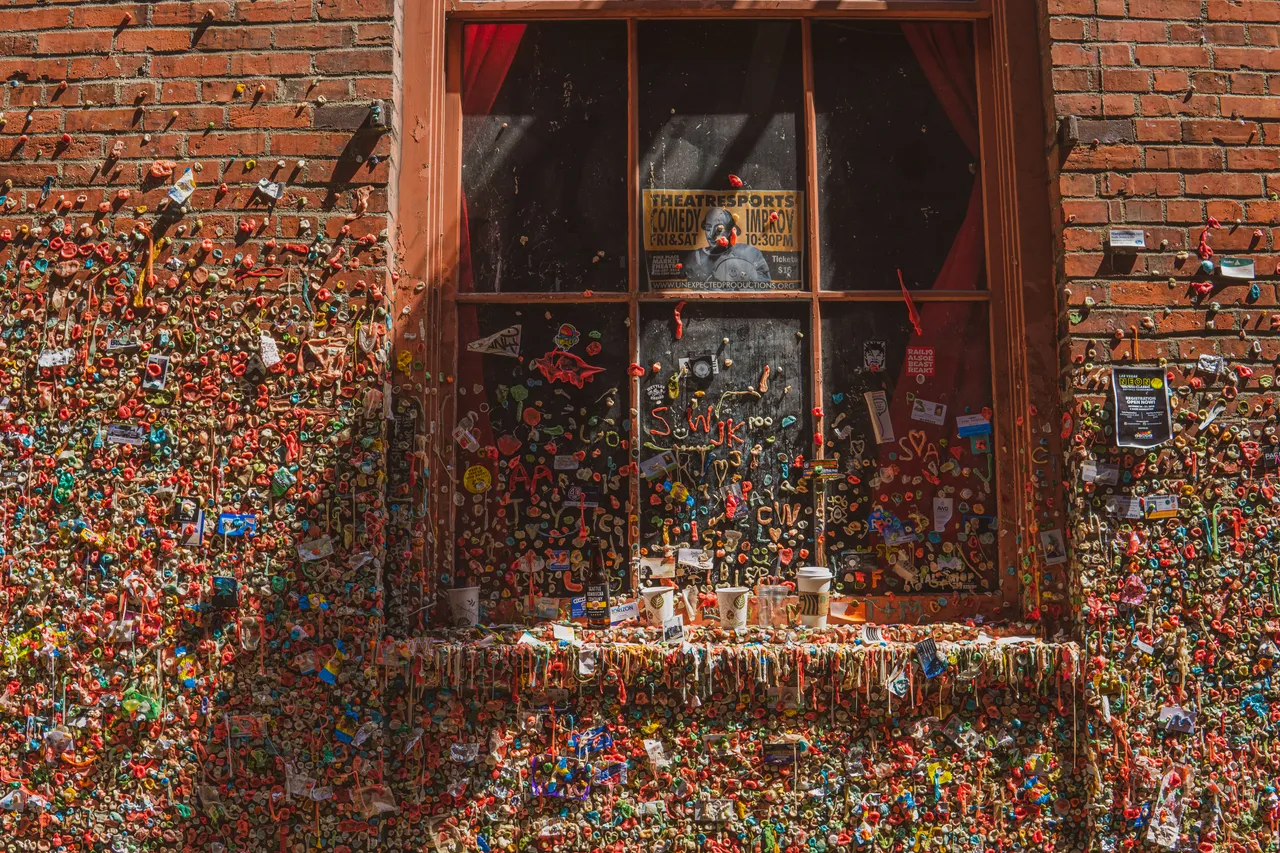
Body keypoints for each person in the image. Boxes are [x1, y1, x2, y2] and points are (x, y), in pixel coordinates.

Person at [683, 207, 771, 284]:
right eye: (708, 228)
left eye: (719, 229)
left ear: (729, 232)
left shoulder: (751, 253)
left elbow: (764, 283)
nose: (712, 234)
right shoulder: (696, 257)